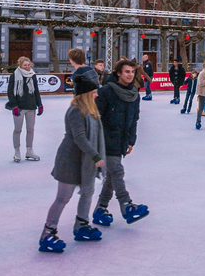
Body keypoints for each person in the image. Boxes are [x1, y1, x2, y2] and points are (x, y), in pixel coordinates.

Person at [39, 73, 106, 253]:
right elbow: (79, 137)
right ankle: (47, 234)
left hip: (85, 159)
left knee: (87, 192)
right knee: (63, 197)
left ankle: (81, 225)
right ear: (85, 94)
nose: (97, 95)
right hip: (70, 159)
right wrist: (95, 156)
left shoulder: (91, 110)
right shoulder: (76, 110)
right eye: (94, 92)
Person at [92, 59, 149, 227]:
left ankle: (100, 209)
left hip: (121, 140)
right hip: (105, 140)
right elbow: (95, 118)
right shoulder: (106, 92)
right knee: (117, 171)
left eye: (132, 72)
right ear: (118, 73)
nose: (130, 75)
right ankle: (126, 205)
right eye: (127, 72)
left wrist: (131, 140)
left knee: (111, 177)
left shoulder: (134, 94)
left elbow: (134, 119)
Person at [7, 56, 43, 163]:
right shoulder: (15, 76)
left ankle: (29, 150)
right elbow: (10, 92)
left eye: (28, 65)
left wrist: (40, 104)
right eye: (25, 65)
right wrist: (14, 106)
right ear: (20, 65)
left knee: (30, 129)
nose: (27, 67)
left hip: (31, 106)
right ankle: (17, 151)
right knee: (18, 130)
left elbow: (36, 91)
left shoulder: (33, 75)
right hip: (19, 107)